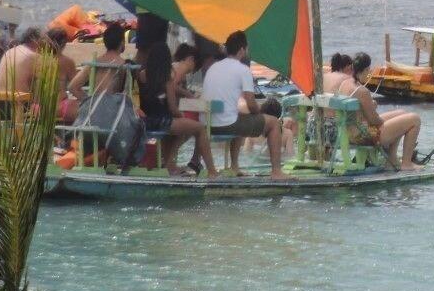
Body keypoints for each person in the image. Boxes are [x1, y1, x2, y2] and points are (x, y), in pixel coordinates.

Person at [201, 30, 290, 179]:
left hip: (206, 123)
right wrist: (259, 113)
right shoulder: (243, 69)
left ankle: (235, 166)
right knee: (273, 123)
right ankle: (276, 172)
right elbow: (251, 103)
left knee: (241, 117)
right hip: (225, 124)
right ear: (242, 49)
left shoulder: (214, 67)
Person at [138, 42, 219, 178]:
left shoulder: (141, 75)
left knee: (180, 129)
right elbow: (172, 108)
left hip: (146, 121)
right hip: (163, 121)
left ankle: (169, 165)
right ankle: (212, 171)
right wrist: (180, 115)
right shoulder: (166, 80)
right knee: (199, 128)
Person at [337, 53, 423, 171]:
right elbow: (374, 120)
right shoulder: (362, 91)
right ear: (367, 69)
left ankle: (392, 159)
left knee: (401, 114)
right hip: (363, 136)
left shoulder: (345, 84)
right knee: (414, 119)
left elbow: (359, 112)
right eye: (369, 70)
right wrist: (383, 119)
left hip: (348, 132)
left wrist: (371, 108)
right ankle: (406, 163)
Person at [67, 23, 128, 101]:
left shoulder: (95, 63)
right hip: (115, 109)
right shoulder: (124, 64)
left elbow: (72, 87)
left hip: (95, 108)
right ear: (122, 42)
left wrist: (89, 102)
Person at [44, 27, 79, 123]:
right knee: (84, 108)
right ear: (64, 43)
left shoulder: (37, 59)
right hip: (58, 108)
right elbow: (76, 88)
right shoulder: (67, 62)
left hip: (38, 108)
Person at [0, 26, 42, 93]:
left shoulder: (9, 52)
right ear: (36, 41)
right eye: (42, 41)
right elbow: (46, 82)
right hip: (19, 100)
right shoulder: (33, 56)